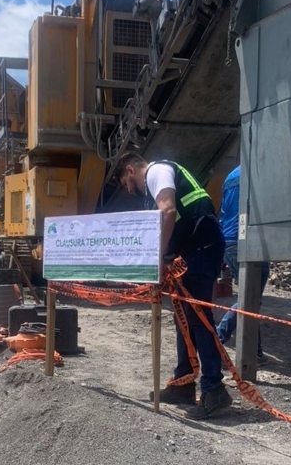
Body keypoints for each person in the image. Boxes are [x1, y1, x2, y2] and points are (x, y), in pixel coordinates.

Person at [114, 153, 232, 420]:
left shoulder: (157, 172)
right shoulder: (152, 188)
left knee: (199, 319)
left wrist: (157, 256)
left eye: (125, 182)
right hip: (191, 252)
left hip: (202, 249)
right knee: (184, 319)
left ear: (131, 170)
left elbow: (168, 210)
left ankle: (214, 389)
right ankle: (183, 382)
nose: (128, 189)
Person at [214, 165, 269, 358]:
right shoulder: (261, 170)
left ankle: (256, 352)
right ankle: (218, 338)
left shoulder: (231, 174)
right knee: (249, 298)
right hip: (247, 241)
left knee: (250, 297)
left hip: (229, 241)